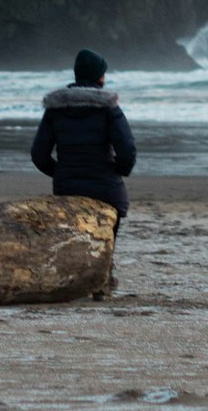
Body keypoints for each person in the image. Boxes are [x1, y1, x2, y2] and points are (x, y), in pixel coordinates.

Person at [30, 50, 136, 282]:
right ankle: (103, 271)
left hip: (67, 186)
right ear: (100, 77)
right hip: (105, 187)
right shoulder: (109, 108)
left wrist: (60, 172)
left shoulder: (55, 109)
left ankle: (82, 273)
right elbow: (127, 151)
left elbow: (39, 154)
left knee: (73, 231)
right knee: (114, 217)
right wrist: (119, 170)